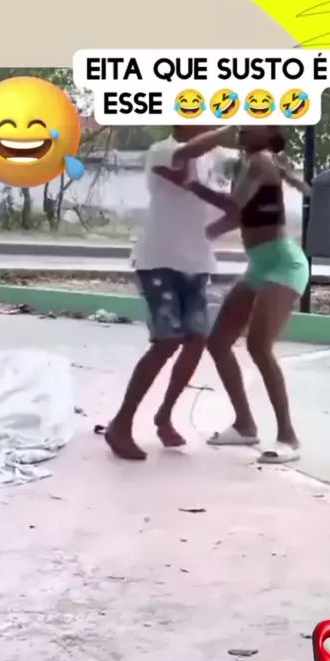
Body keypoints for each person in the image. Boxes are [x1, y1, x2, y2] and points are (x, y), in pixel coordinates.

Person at [162, 124, 311, 464]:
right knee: (218, 343)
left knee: (259, 346)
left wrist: (192, 186)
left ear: (269, 132)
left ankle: (288, 436)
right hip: (259, 264)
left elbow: (233, 208)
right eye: (241, 125)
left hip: (284, 264)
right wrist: (205, 233)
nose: (243, 129)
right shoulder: (252, 162)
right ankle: (245, 425)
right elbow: (238, 216)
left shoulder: (262, 160)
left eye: (251, 125)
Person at [105, 125, 224, 460]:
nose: (210, 123)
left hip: (197, 262)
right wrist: (235, 127)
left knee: (197, 339)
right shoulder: (163, 151)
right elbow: (187, 160)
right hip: (159, 260)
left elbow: (213, 205)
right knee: (167, 340)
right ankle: (121, 424)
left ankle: (164, 415)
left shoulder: (212, 160)